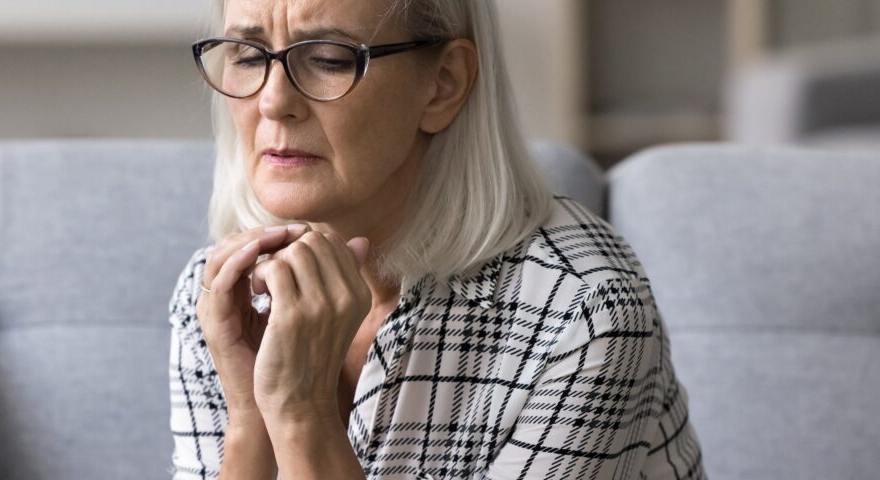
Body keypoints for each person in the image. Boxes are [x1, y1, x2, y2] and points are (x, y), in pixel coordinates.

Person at [169, 0, 705, 478]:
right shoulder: (221, 290)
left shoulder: (583, 312)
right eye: (247, 55)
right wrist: (248, 418)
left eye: (329, 57)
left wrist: (300, 413)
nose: (272, 101)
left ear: (443, 84)